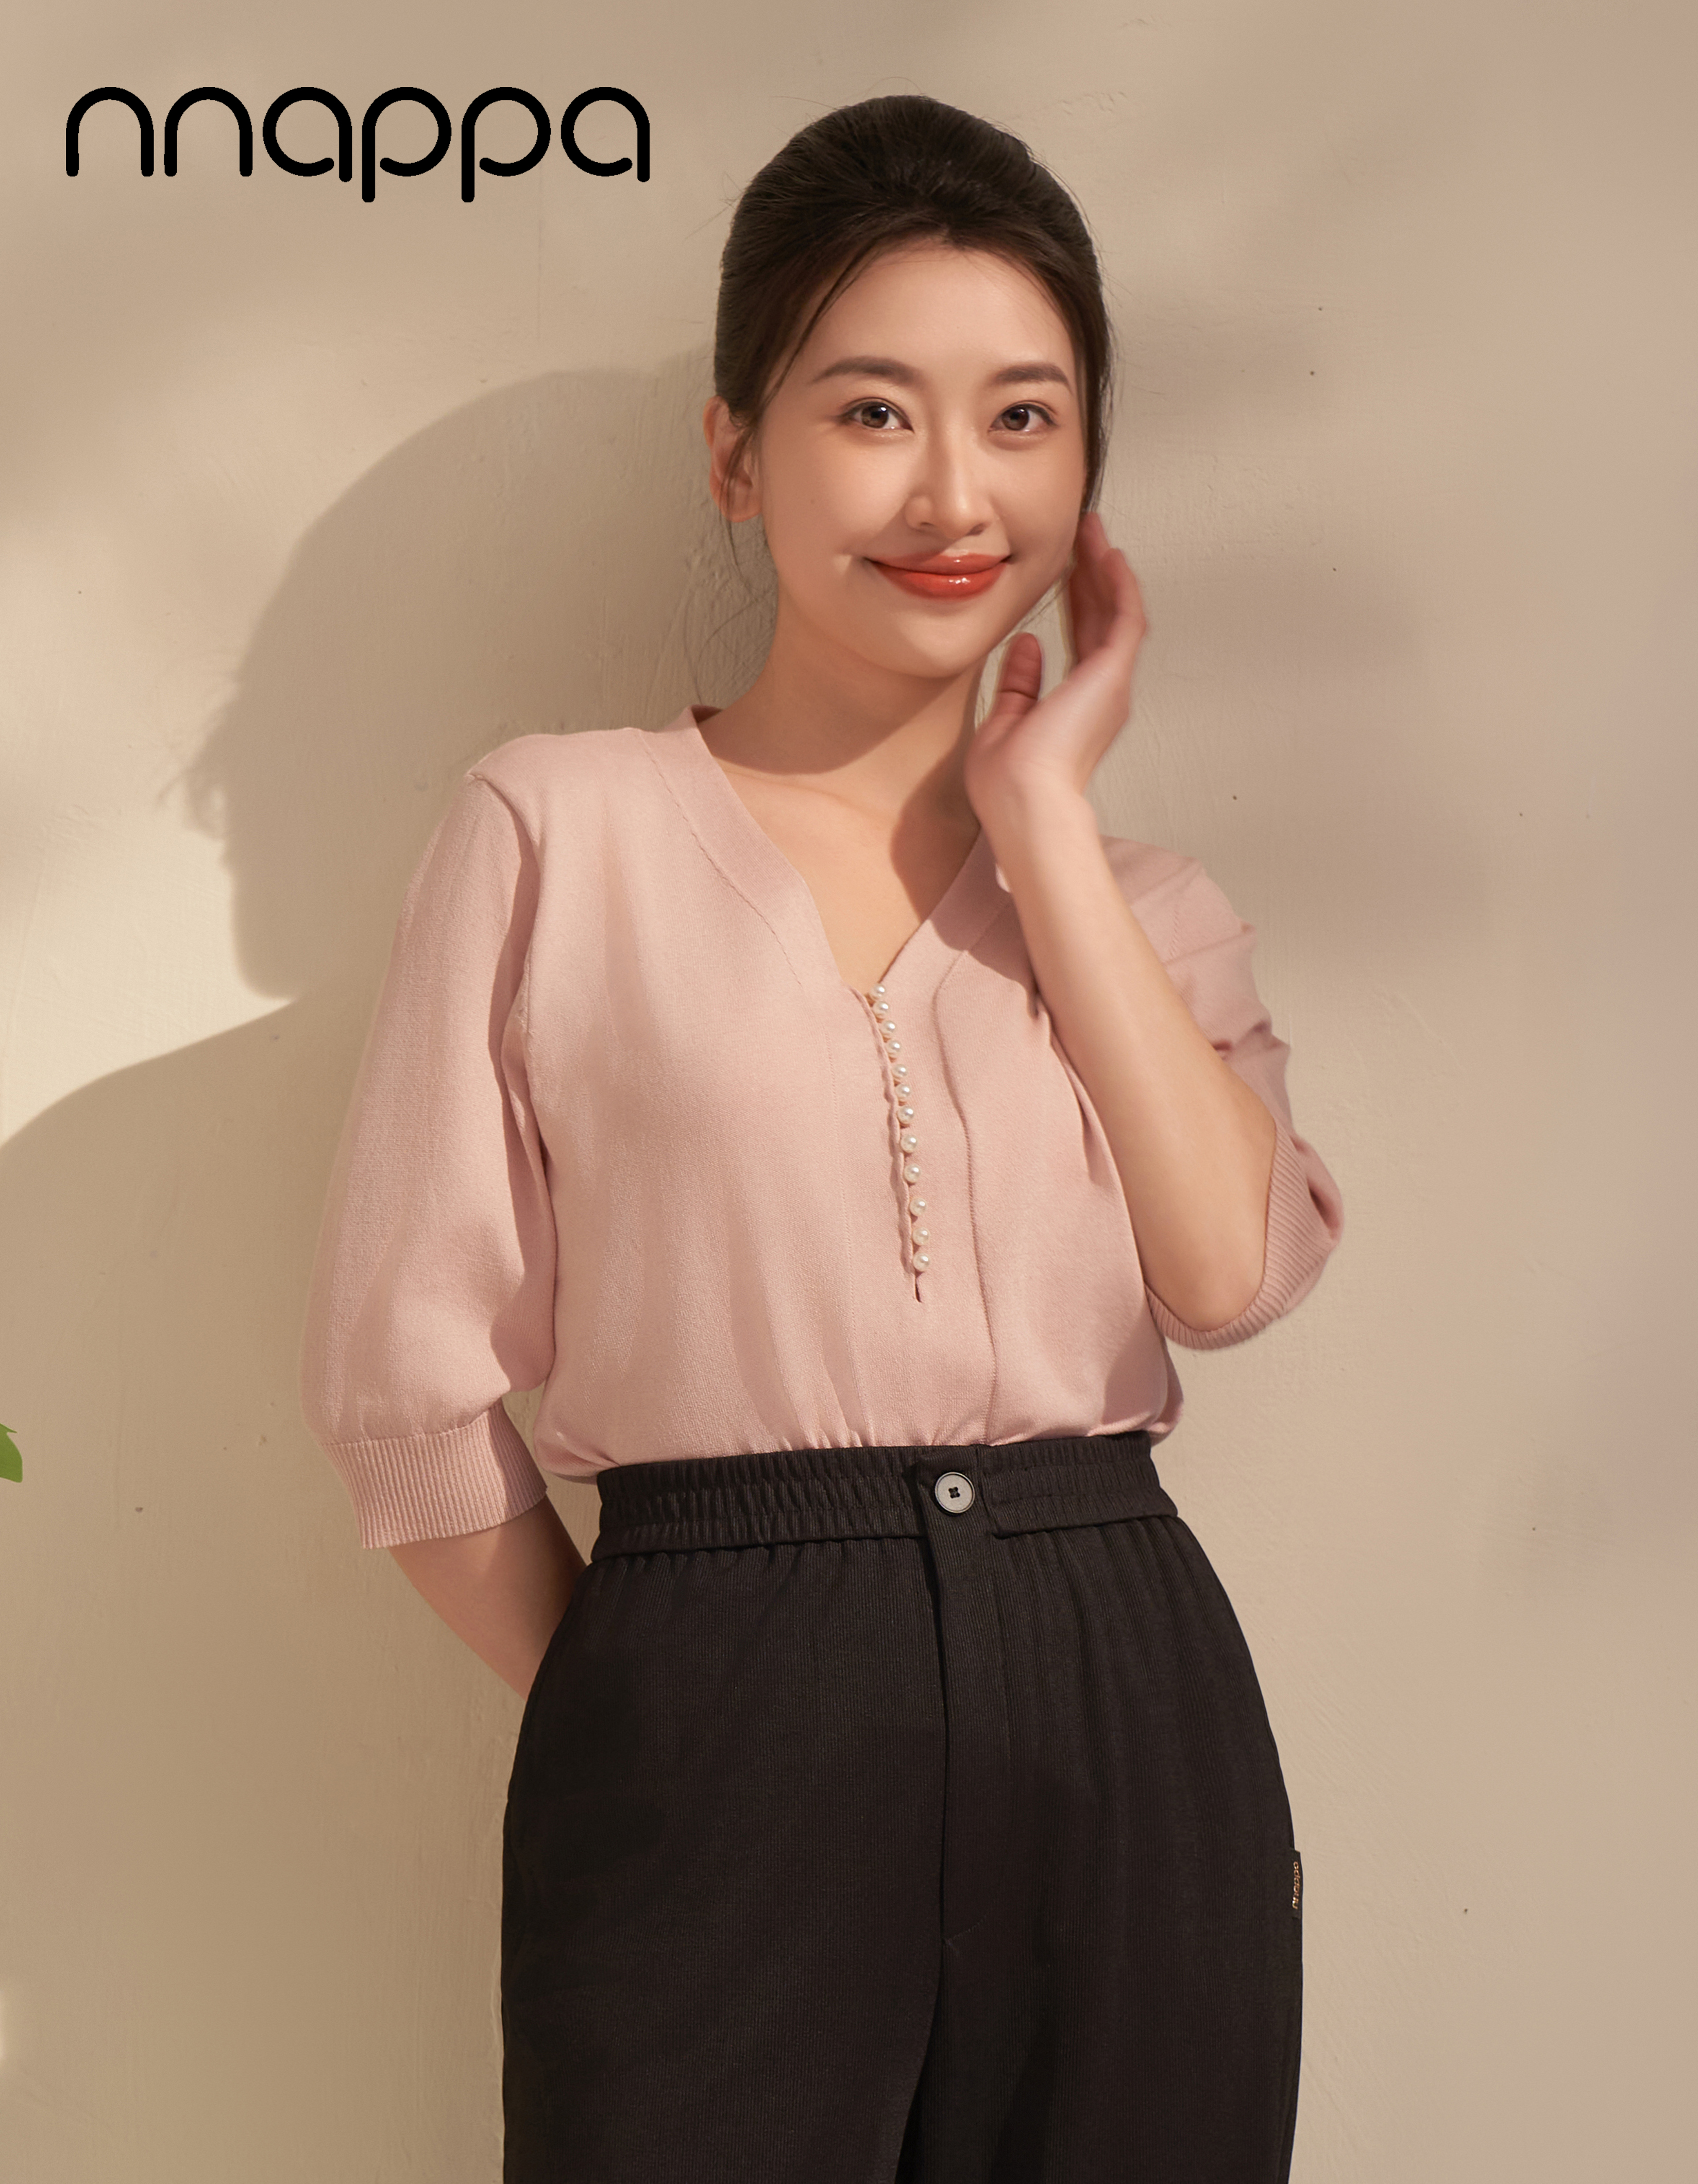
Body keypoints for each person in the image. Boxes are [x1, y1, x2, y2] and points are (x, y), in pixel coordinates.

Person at [299, 93, 1344, 2184]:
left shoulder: (1147, 913)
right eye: (872, 411)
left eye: (1024, 418)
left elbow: (1225, 1279)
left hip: (1121, 1690)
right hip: (708, 1690)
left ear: (1087, 474)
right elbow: (401, 1394)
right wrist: (671, 1695)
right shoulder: (557, 829)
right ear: (734, 452)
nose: (954, 491)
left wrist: (1043, 823)